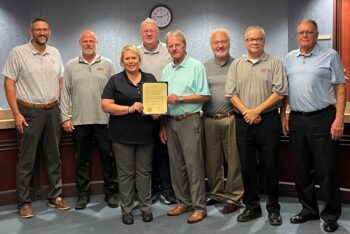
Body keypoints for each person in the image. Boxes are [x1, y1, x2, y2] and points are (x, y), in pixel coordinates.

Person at [281, 19, 346, 233]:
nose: (305, 35)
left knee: (326, 170)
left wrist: (338, 119)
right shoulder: (289, 58)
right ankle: (308, 209)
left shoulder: (330, 55)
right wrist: (284, 115)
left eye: (309, 32)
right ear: (297, 35)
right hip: (297, 119)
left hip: (323, 119)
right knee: (301, 169)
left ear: (317, 34)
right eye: (301, 32)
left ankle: (330, 215)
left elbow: (340, 88)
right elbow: (285, 91)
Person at [2, 18, 70, 218]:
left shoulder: (55, 53)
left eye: (45, 29)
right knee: (26, 160)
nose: (42, 32)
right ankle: (24, 203)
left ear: (49, 32)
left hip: (52, 111)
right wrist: (16, 113)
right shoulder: (18, 53)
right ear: (30, 31)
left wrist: (60, 108)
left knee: (54, 157)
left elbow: (60, 80)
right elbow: (8, 84)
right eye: (38, 29)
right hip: (29, 112)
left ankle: (55, 197)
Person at [225, 25, 288, 226]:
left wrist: (256, 111)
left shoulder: (275, 62)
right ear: (245, 42)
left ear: (264, 41)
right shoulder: (236, 65)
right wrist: (247, 112)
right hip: (243, 121)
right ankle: (252, 207)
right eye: (250, 39)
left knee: (270, 166)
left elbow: (280, 92)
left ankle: (273, 209)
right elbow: (231, 94)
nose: (254, 42)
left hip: (268, 121)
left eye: (258, 39)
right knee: (247, 166)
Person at [59, 29, 118, 210]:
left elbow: (115, 92)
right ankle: (83, 194)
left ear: (96, 42)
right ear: (80, 43)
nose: (88, 44)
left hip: (104, 121)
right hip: (79, 122)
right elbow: (64, 93)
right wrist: (65, 118)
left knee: (108, 160)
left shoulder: (107, 64)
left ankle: (111, 193)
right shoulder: (70, 65)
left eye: (91, 41)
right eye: (84, 41)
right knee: (81, 161)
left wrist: (113, 116)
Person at [101, 45, 158, 225]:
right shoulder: (115, 81)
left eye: (134, 58)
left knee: (144, 173)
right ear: (122, 61)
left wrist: (157, 112)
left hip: (146, 135)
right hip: (122, 136)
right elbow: (106, 105)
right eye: (127, 58)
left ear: (139, 60)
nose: (131, 61)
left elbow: (157, 104)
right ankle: (126, 210)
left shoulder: (150, 79)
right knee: (125, 175)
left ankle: (145, 208)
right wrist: (129, 108)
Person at [160, 30, 210, 223]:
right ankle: (183, 202)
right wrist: (162, 123)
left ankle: (199, 207)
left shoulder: (196, 66)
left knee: (193, 166)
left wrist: (180, 97)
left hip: (190, 120)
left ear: (185, 45)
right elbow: (162, 99)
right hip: (171, 122)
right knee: (176, 165)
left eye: (177, 45)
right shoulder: (166, 70)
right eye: (170, 46)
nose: (174, 48)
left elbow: (204, 95)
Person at [203, 28, 244, 214]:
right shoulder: (203, 66)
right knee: (212, 161)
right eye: (216, 43)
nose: (220, 46)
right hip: (209, 119)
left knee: (234, 160)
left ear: (229, 42)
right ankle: (216, 193)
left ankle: (234, 197)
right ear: (211, 45)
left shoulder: (238, 65)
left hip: (231, 118)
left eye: (223, 42)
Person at [137, 18, 175, 204]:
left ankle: (167, 189)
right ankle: (149, 190)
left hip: (166, 112)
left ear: (158, 32)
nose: (149, 33)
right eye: (146, 31)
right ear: (141, 33)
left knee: (164, 152)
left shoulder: (168, 51)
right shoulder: (135, 53)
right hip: (142, 113)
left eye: (152, 30)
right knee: (146, 154)